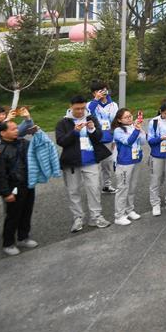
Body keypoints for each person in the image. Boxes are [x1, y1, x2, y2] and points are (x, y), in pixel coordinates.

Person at [56, 95, 111, 231]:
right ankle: (78, 218)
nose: (80, 111)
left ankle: (96, 216)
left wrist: (92, 129)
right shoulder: (63, 123)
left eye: (83, 108)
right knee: (73, 190)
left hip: (90, 160)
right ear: (71, 107)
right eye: (77, 109)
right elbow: (61, 141)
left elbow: (99, 137)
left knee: (94, 188)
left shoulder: (91, 118)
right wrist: (74, 132)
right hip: (72, 163)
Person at [0, 106, 35, 245]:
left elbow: (19, 130)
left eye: (3, 114)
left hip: (9, 176)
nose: (2, 116)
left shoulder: (7, 131)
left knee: (12, 208)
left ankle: (17, 234)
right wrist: (5, 123)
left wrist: (27, 118)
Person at [0, 121, 39, 256]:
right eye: (12, 129)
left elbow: (38, 149)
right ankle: (8, 243)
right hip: (13, 187)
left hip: (28, 183)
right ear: (2, 133)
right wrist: (6, 193)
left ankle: (23, 237)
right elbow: (0, 174)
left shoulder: (23, 143)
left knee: (26, 211)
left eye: (16, 128)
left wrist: (37, 134)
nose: (16, 131)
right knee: (13, 215)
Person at [111, 108, 146, 226]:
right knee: (123, 188)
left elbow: (143, 142)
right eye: (126, 117)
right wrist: (136, 130)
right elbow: (128, 141)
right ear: (119, 120)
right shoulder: (118, 130)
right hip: (125, 163)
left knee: (132, 187)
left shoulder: (133, 127)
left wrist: (140, 130)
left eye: (130, 116)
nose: (129, 118)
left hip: (136, 160)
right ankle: (119, 215)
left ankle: (129, 210)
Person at [87, 82, 119, 194]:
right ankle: (94, 187)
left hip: (108, 139)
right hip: (95, 139)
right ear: (94, 93)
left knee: (107, 165)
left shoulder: (113, 105)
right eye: (98, 91)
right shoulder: (90, 104)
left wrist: (115, 139)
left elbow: (116, 123)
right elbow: (87, 115)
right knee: (95, 166)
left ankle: (107, 185)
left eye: (103, 89)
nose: (102, 92)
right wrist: (96, 100)